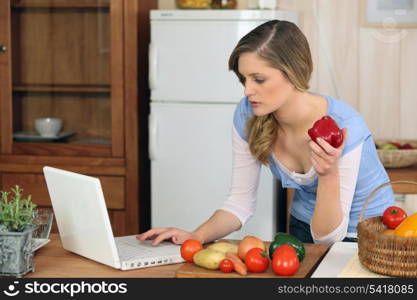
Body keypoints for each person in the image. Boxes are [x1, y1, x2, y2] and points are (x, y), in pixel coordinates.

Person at [138, 20, 395, 245]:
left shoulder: (343, 126)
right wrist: (197, 236)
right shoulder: (248, 114)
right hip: (305, 224)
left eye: (258, 80)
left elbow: (330, 239)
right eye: (243, 79)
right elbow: (239, 203)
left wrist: (328, 175)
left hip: (369, 235)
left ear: (294, 73)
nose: (247, 91)